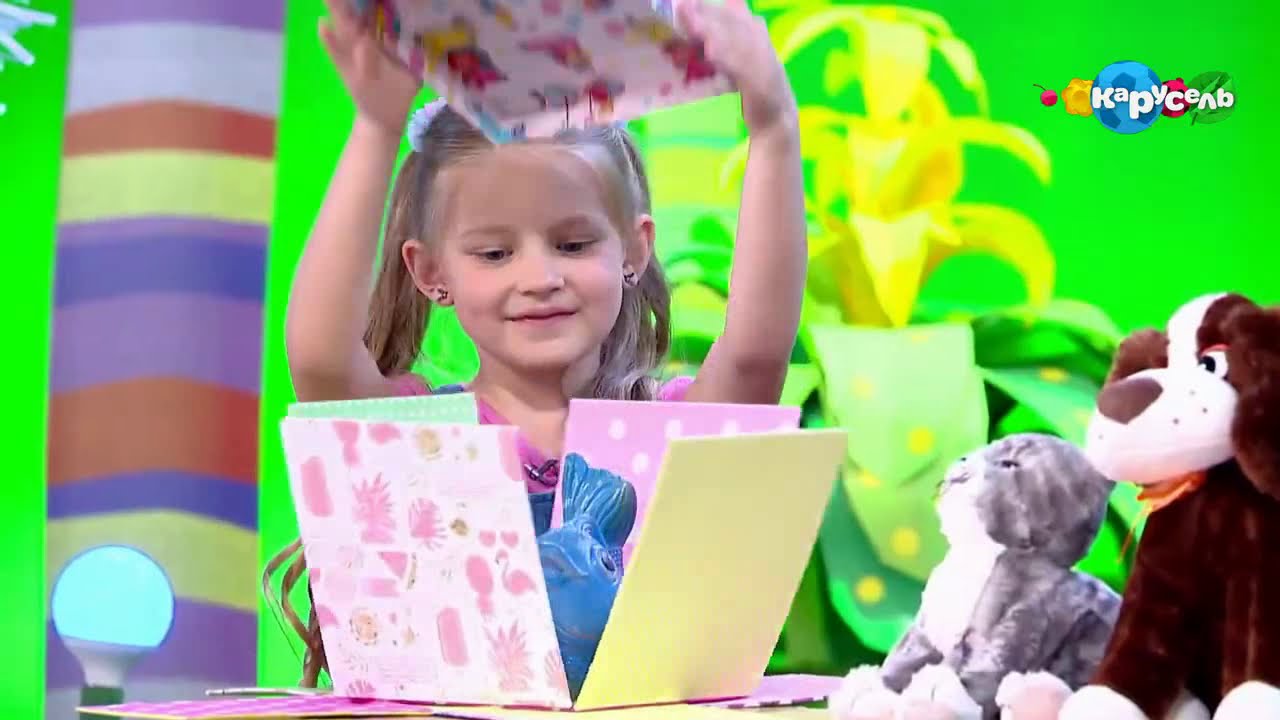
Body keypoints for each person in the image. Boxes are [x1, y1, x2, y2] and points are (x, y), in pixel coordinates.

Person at [267, 0, 807, 686]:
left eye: (573, 244)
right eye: (495, 254)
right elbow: (319, 360)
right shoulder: (414, 440)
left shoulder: (672, 430)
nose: (540, 278)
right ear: (431, 273)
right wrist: (375, 128)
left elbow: (757, 357)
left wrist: (773, 127)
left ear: (633, 249)